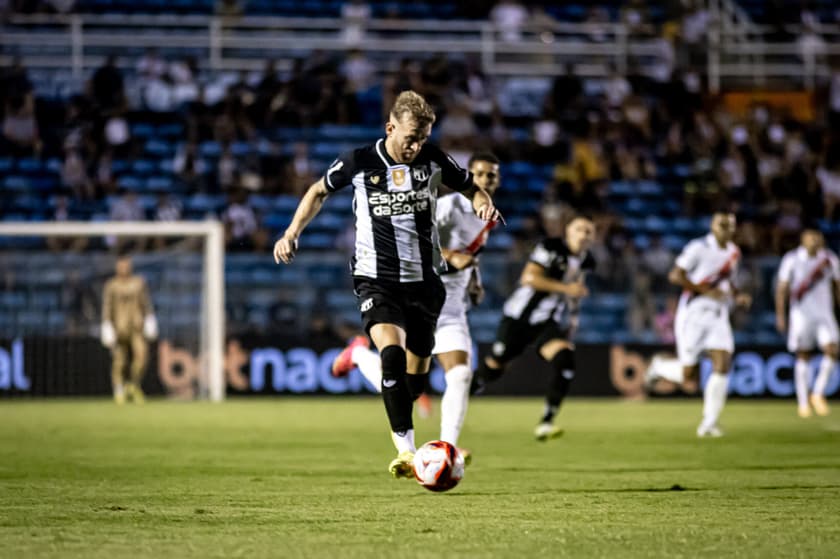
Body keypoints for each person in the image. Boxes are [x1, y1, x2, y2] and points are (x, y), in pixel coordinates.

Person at [273, 91, 500, 478]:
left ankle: (359, 357)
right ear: (390, 127)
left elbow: (471, 188)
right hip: (376, 280)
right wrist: (292, 232)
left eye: (423, 138)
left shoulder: (433, 159)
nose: (416, 146)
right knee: (392, 355)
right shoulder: (359, 161)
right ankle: (407, 452)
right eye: (410, 137)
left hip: (426, 283)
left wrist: (481, 202)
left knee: (412, 385)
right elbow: (317, 191)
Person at [332, 152, 503, 461]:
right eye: (479, 174)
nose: (486, 180)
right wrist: (451, 257)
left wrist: (474, 278)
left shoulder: (485, 214)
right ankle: (358, 355)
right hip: (418, 291)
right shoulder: (448, 207)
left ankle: (446, 445)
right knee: (402, 382)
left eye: (492, 175)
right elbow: (412, 235)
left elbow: (469, 252)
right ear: (469, 177)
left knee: (460, 375)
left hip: (452, 305)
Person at [470, 214, 596, 441]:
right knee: (494, 368)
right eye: (579, 229)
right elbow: (529, 278)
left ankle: (546, 422)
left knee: (565, 360)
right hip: (519, 318)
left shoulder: (588, 261)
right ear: (568, 231)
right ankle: (462, 391)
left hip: (547, 322)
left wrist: (572, 321)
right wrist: (567, 289)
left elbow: (575, 293)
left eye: (588, 231)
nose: (583, 235)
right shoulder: (551, 247)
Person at [644, 212, 752, 437]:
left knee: (723, 364)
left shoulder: (734, 252)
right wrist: (704, 290)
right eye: (721, 224)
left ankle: (709, 423)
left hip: (718, 315)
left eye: (729, 225)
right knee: (688, 375)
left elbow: (728, 281)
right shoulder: (698, 248)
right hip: (693, 314)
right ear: (712, 226)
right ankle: (658, 367)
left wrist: (738, 295)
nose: (725, 228)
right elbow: (675, 275)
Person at [775, 227, 840, 418]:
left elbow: (837, 286)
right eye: (811, 236)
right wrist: (781, 315)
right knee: (803, 356)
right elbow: (782, 289)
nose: (814, 240)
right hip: (801, 316)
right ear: (803, 239)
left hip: (824, 315)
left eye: (817, 237)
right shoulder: (792, 259)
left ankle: (818, 393)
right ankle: (803, 402)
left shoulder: (829, 259)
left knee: (832, 350)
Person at [100, 255, 158, 404]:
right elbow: (107, 306)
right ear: (117, 266)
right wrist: (106, 325)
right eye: (121, 264)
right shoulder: (111, 285)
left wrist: (150, 318)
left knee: (142, 356)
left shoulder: (138, 283)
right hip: (119, 328)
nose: (124, 267)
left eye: (127, 264)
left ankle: (133, 384)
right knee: (119, 361)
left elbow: (146, 302)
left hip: (136, 327)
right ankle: (119, 389)